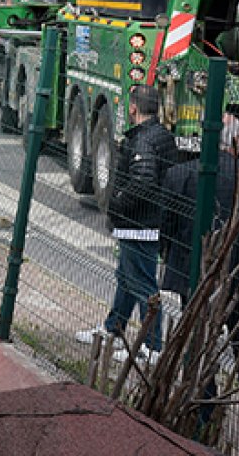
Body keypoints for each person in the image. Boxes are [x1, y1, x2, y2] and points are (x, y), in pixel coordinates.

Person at [160, 115, 239, 452]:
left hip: (195, 278)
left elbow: (166, 225)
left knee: (198, 350)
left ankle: (200, 422)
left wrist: (174, 263)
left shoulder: (178, 174)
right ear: (238, 143)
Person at [76, 85, 179, 361]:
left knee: (143, 284)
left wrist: (117, 204)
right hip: (147, 223)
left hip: (139, 225)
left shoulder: (143, 141)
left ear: (133, 107)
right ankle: (114, 328)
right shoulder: (162, 136)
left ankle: (152, 347)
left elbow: (143, 181)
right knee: (126, 278)